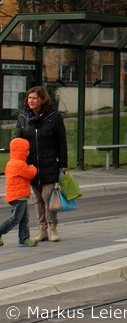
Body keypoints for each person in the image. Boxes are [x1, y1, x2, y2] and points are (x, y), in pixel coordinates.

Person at [15, 86, 68, 242]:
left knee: (47, 195)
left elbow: (62, 141)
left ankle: (52, 228)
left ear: (42, 100)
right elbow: (18, 141)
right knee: (37, 198)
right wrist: (18, 162)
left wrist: (63, 163)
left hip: (50, 162)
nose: (31, 101)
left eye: (35, 98)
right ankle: (42, 229)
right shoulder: (23, 117)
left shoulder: (54, 116)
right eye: (29, 98)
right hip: (31, 165)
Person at [0, 137, 39, 247]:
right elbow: (30, 173)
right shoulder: (20, 164)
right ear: (21, 151)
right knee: (16, 219)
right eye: (26, 150)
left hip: (18, 195)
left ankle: (24, 239)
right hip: (19, 196)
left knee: (23, 219)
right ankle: (2, 231)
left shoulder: (11, 162)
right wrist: (33, 167)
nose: (28, 153)